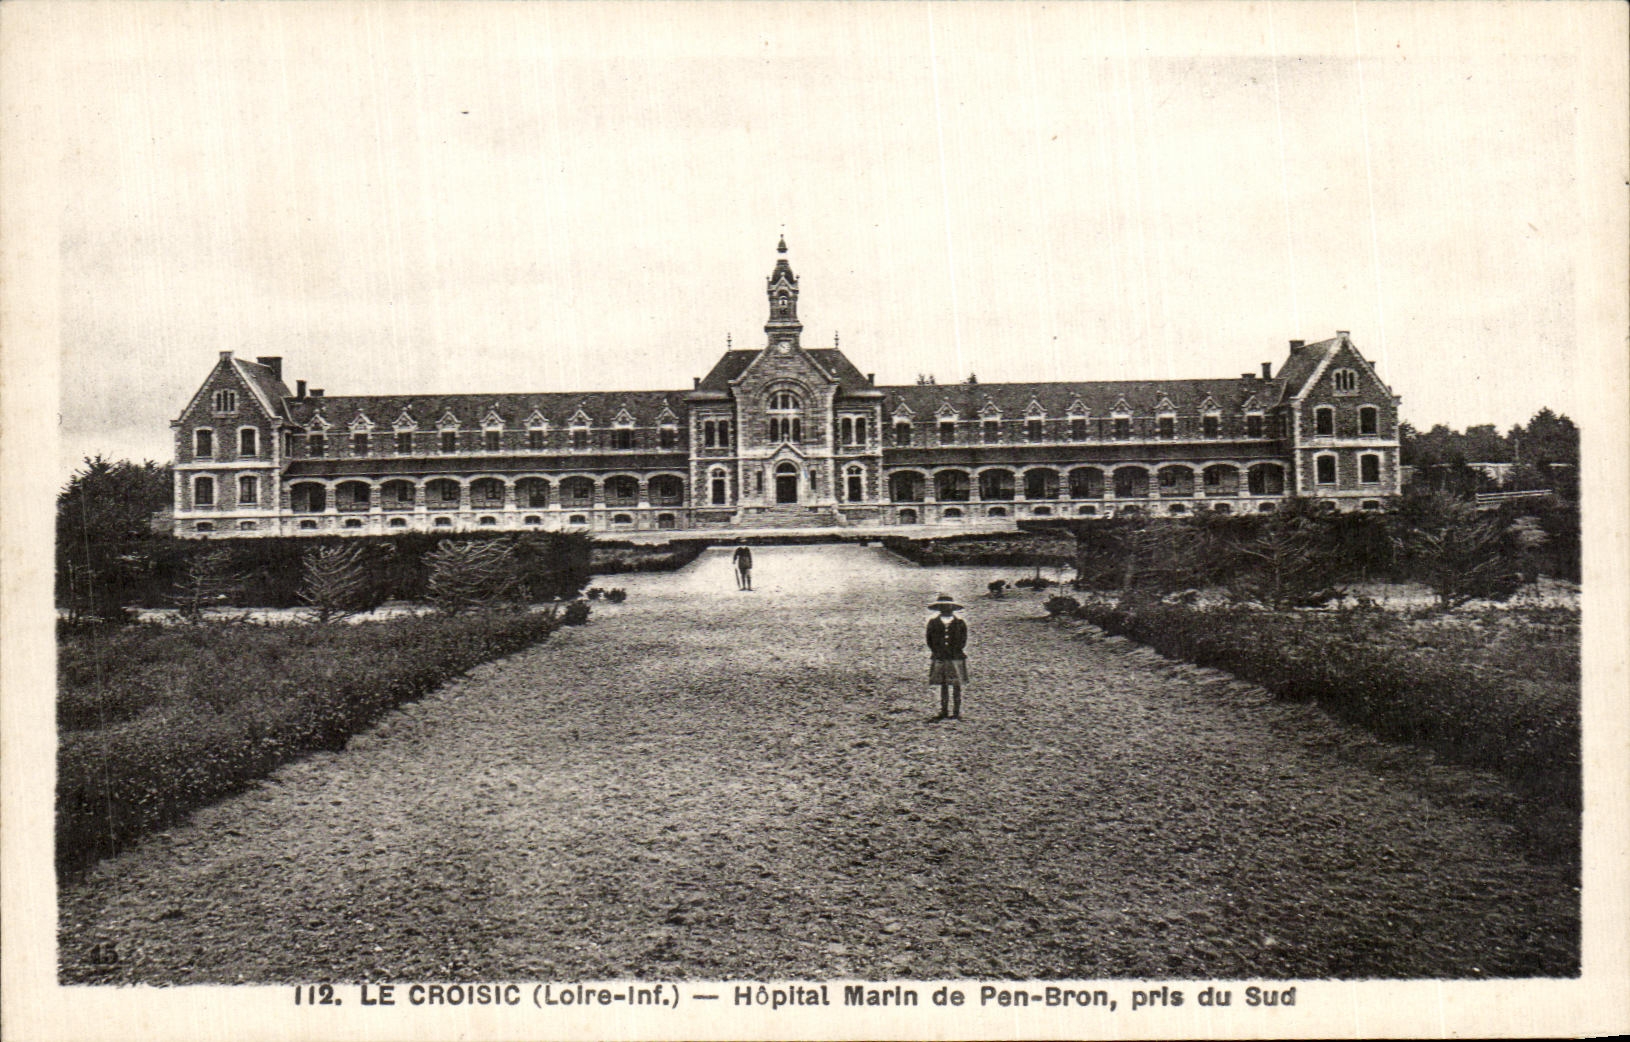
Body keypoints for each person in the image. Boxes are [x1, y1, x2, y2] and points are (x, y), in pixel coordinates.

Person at [925, 593, 967, 720]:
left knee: (956, 684)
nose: (945, 608)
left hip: (956, 656)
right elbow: (930, 640)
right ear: (939, 608)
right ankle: (944, 711)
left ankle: (956, 712)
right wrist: (938, 651)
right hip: (940, 656)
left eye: (948, 606)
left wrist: (954, 650)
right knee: (943, 684)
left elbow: (963, 640)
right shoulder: (933, 622)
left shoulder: (960, 623)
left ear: (952, 607)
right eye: (942, 606)